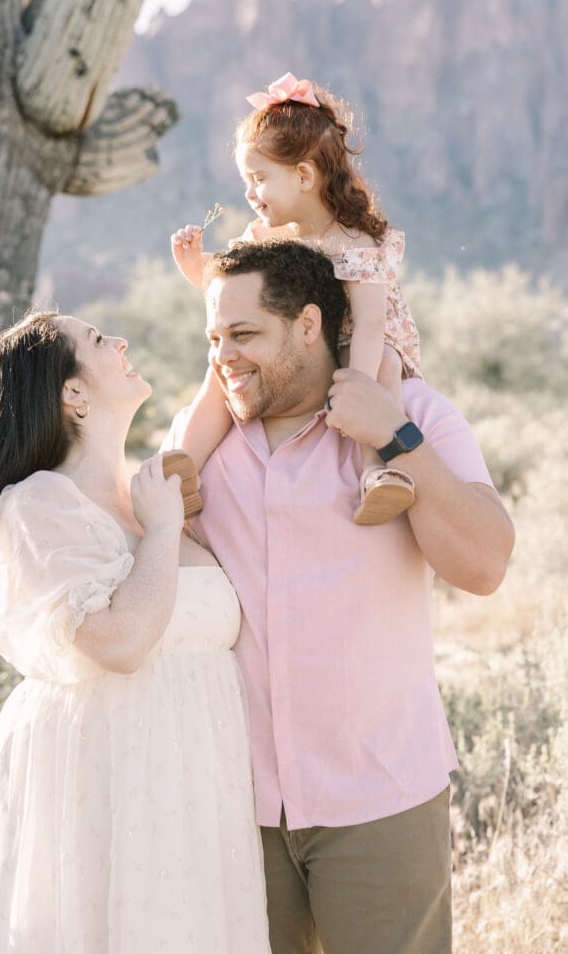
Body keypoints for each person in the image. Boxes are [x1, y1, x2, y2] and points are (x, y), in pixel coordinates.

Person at [166, 239, 515, 954]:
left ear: (307, 325)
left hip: (379, 800)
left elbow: (483, 564)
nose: (222, 355)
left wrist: (393, 437)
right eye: (212, 337)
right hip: (238, 814)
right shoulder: (200, 447)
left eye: (243, 334)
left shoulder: (413, 412)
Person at [0, 310, 271, 953]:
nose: (122, 342)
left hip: (194, 783)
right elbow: (121, 642)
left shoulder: (148, 494)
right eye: (99, 341)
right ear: (72, 394)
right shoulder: (36, 507)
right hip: (103, 781)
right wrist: (164, 532)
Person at [172, 71, 420, 525]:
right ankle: (183, 468)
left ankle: (377, 471)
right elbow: (239, 302)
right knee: (221, 369)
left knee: (382, 363)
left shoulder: (355, 243)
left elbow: (368, 324)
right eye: (246, 179)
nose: (249, 193)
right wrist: (198, 270)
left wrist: (355, 386)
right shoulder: (264, 236)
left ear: (304, 175)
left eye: (259, 178)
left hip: (356, 342)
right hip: (295, 344)